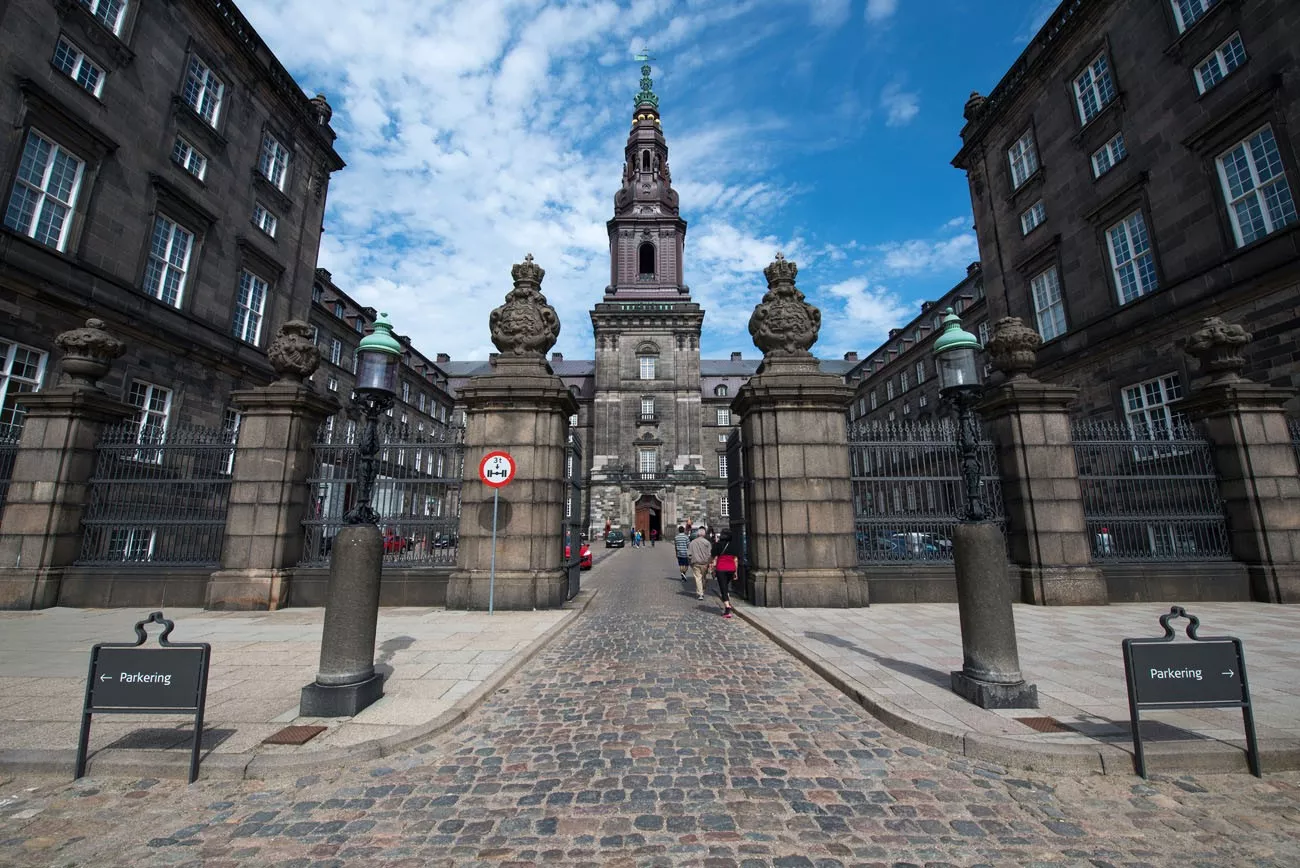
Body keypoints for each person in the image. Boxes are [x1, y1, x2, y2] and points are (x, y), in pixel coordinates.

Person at [712, 529, 739, 618]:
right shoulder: (734, 546)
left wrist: (712, 567)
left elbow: (715, 558)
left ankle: (727, 608)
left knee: (723, 588)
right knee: (726, 586)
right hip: (731, 569)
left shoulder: (717, 545)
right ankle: (727, 601)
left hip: (721, 569)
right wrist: (736, 572)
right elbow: (735, 560)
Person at [687, 526, 714, 601]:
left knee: (698, 578)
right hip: (705, 563)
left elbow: (689, 554)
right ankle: (702, 592)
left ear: (697, 534)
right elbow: (710, 554)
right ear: (704, 534)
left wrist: (690, 562)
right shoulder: (707, 543)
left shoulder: (692, 543)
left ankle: (700, 592)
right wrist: (710, 562)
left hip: (695, 562)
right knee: (703, 577)